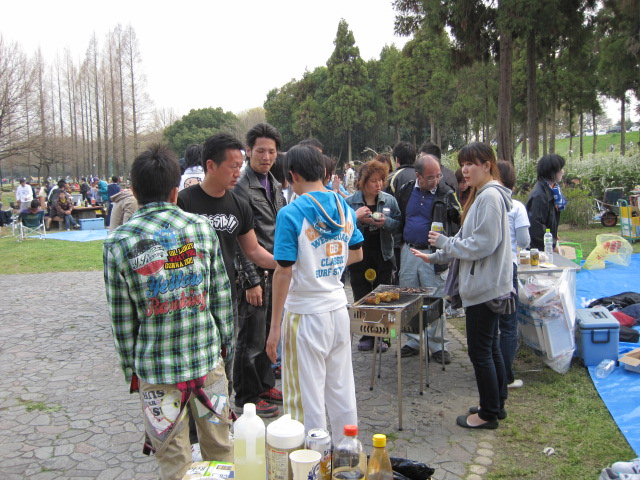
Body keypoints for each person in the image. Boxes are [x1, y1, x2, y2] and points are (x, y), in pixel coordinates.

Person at [103, 144, 234, 480]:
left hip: (156, 373)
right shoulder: (201, 229)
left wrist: (132, 372)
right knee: (221, 450)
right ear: (176, 190)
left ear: (134, 191)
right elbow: (220, 296)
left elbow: (122, 321)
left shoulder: (117, 243)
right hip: (207, 363)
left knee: (174, 462)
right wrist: (226, 347)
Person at [410, 142, 513, 429]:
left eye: (471, 164)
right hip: (488, 284)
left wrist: (443, 242)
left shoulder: (489, 197)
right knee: (490, 347)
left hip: (484, 286)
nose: (464, 170)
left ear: (487, 166)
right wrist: (434, 256)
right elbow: (467, 240)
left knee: (480, 352)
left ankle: (488, 414)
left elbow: (482, 244)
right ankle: (496, 404)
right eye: (462, 164)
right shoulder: (484, 194)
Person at [265, 144, 364, 444]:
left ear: (292, 175)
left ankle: (310, 461)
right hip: (338, 309)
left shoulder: (291, 213)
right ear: (323, 171)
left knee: (303, 397)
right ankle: (347, 452)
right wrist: (326, 265)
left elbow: (283, 271)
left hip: (305, 315)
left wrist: (274, 328)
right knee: (341, 387)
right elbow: (357, 253)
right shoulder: (344, 207)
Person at [177, 132, 277, 395]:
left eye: (240, 166)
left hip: (225, 297)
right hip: (191, 298)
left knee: (226, 358)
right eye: (233, 166)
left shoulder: (239, 204)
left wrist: (285, 264)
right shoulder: (185, 202)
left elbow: (253, 250)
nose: (238, 173)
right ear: (211, 166)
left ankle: (223, 410)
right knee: (193, 362)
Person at [233, 123, 286, 418]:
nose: (266, 157)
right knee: (250, 338)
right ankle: (246, 397)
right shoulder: (242, 188)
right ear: (249, 151)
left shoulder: (274, 184)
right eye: (261, 151)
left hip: (273, 270)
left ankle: (265, 385)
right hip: (254, 273)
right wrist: (250, 280)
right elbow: (239, 239)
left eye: (272, 152)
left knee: (268, 332)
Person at [397, 154, 461, 363]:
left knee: (435, 299)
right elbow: (400, 217)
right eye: (431, 177)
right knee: (409, 298)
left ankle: (438, 345)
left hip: (433, 253)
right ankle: (413, 341)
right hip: (409, 251)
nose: (436, 180)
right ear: (418, 176)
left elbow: (458, 222)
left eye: (438, 175)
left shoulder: (446, 193)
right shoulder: (406, 190)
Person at [345, 159, 401, 352]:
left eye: (381, 180)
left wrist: (386, 222)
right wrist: (357, 219)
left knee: (383, 294)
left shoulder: (389, 200)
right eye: (373, 181)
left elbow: (398, 224)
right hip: (359, 253)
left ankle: (384, 336)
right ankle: (367, 334)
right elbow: (342, 229)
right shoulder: (350, 202)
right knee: (361, 293)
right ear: (362, 182)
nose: (378, 184)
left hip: (383, 252)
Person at [497, 160, 530, 390]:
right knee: (509, 324)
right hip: (509, 266)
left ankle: (490, 371)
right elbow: (525, 240)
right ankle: (506, 376)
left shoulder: (483, 201)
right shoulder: (516, 206)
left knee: (491, 324)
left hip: (488, 268)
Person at [525, 154, 566, 251]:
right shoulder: (540, 195)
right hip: (538, 250)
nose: (563, 171)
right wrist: (551, 244)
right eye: (560, 169)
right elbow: (536, 226)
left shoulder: (552, 191)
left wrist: (553, 234)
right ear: (552, 172)